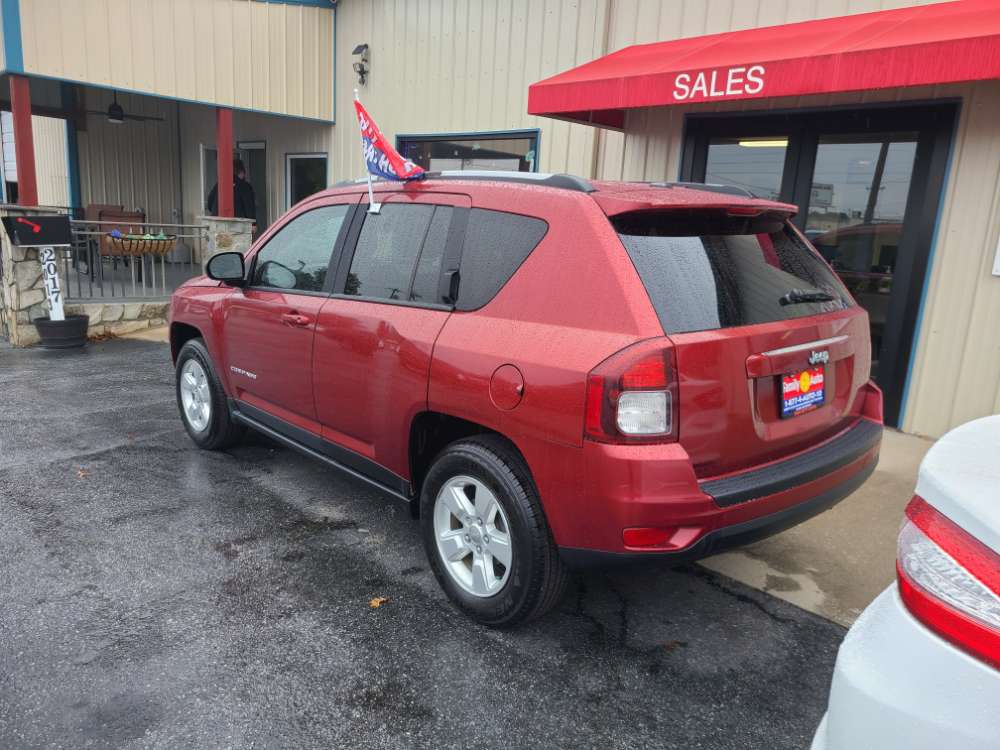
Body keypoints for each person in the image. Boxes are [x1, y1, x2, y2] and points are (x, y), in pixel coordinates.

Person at [207, 159, 257, 229]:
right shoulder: (245, 186)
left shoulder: (219, 184)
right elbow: (249, 207)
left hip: (216, 225)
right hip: (236, 226)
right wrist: (253, 224)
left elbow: (209, 203)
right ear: (242, 172)